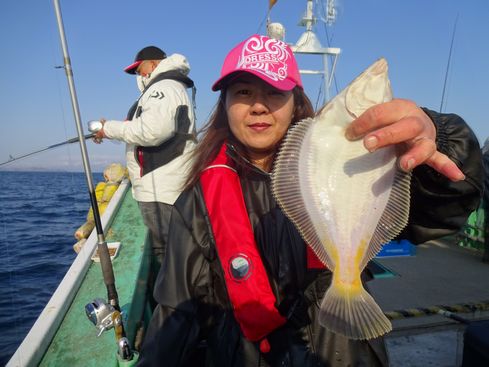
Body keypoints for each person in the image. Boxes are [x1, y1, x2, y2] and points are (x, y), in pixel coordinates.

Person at [136, 34, 483, 366]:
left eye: (274, 92)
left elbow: (442, 211)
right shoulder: (196, 201)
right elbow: (176, 312)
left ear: (296, 102)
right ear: (224, 104)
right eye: (243, 91)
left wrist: (438, 135)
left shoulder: (358, 156)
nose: (258, 106)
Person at [93, 45, 197, 287]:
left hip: (161, 187)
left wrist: (107, 129)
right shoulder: (171, 87)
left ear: (152, 65)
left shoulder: (162, 88)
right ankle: (178, 300)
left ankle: (179, 305)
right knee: (173, 251)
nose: (139, 77)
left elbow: (152, 131)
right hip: (165, 185)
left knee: (168, 252)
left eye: (139, 70)